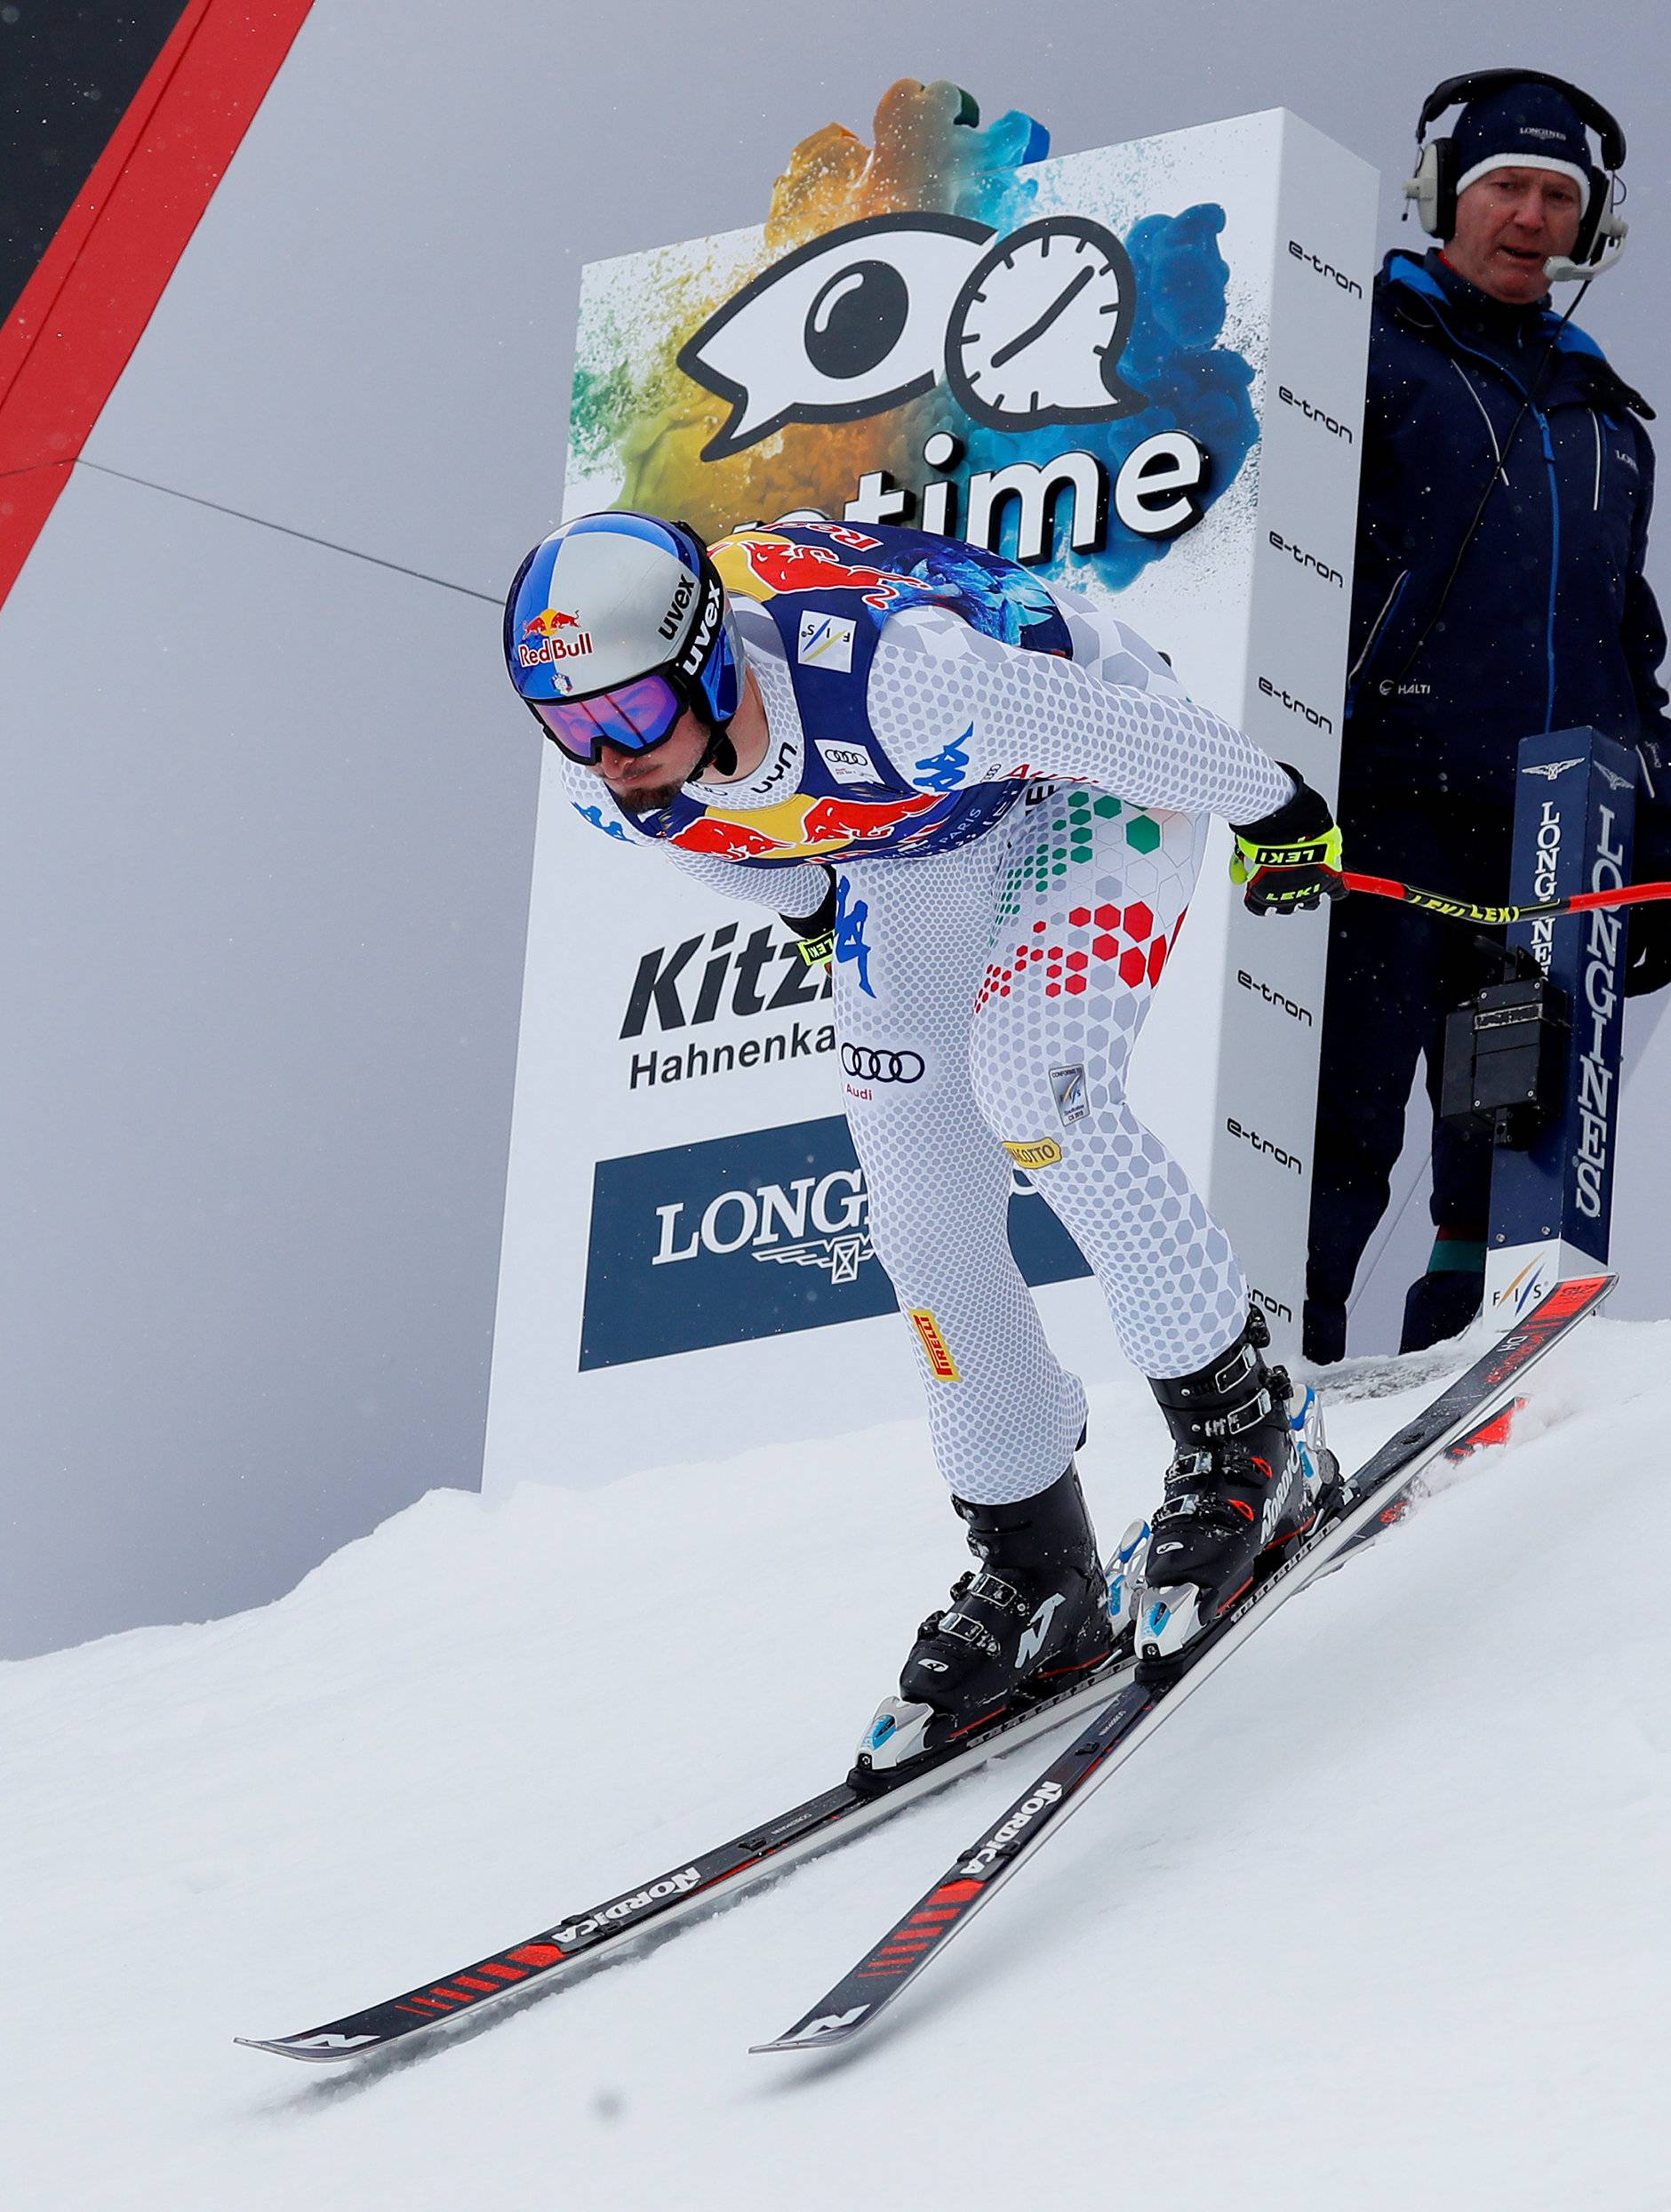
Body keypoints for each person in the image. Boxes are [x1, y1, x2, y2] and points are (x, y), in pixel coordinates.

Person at [505, 509, 1343, 1764]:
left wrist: (1280, 812)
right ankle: (1034, 1563)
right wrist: (806, 909)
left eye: (626, 718)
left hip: (1085, 775)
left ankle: (1243, 1435)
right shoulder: (610, 782)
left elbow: (1132, 731)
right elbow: (732, 851)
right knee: (914, 1201)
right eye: (568, 727)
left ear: (706, 661)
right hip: (909, 842)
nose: (605, 757)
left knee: (1034, 1086)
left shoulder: (895, 680)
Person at [1306, 70, 1671, 1364]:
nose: (1530, 216)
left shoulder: (1607, 416)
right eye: (1505, 187)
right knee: (1339, 1119)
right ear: (1443, 198)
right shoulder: (1353, 345)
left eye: (1558, 196)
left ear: (1591, 226)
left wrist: (1655, 823)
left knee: (1503, 1133)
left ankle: (1458, 1381)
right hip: (1385, 811)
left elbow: (1629, 641)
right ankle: (1280, 1386)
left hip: (1550, 844)